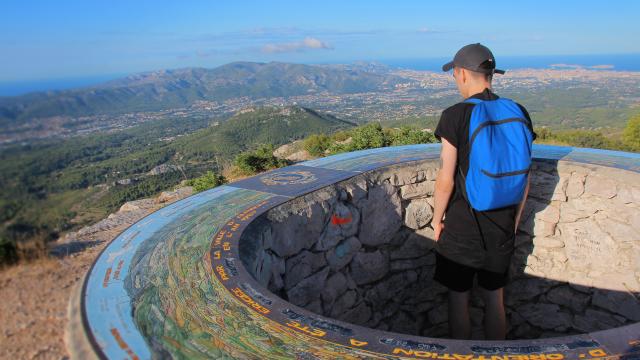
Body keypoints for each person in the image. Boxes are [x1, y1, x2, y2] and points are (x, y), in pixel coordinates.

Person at [431, 43, 535, 340]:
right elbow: (525, 176)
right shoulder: (519, 111)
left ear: (462, 74)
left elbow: (445, 178)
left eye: (454, 74)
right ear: (491, 74)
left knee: (458, 300)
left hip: (463, 223)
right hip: (503, 224)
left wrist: (437, 219)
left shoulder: (455, 115)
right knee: (495, 299)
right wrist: (514, 222)